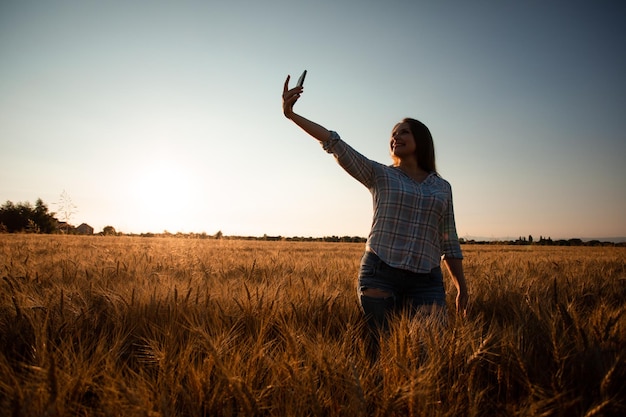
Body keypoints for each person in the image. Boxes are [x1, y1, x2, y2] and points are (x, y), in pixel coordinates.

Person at [281, 75, 468, 347]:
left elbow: (449, 240)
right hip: (381, 272)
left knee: (426, 351)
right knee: (380, 350)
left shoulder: (442, 187)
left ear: (421, 139)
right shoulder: (380, 174)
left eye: (403, 131)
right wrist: (291, 115)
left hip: (427, 280)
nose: (395, 137)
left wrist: (462, 287)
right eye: (393, 134)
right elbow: (334, 143)